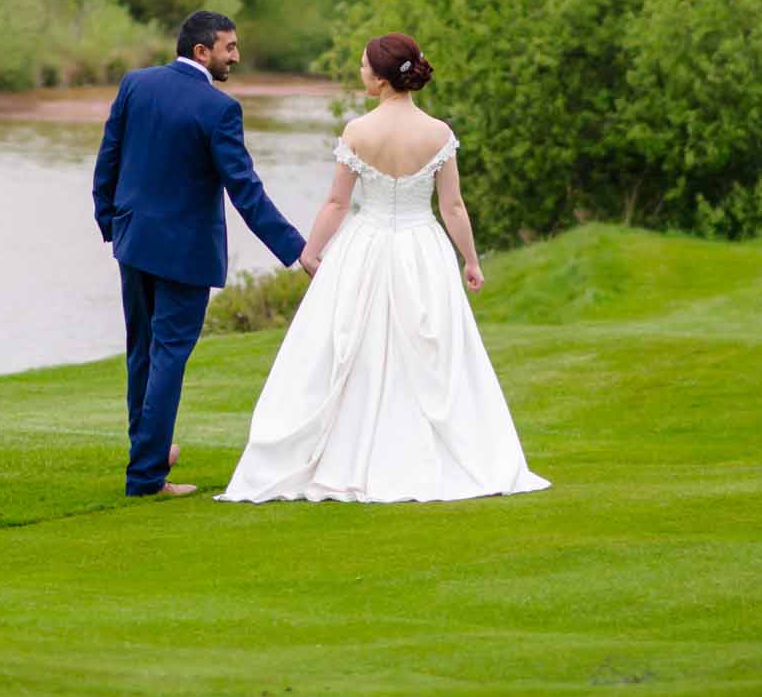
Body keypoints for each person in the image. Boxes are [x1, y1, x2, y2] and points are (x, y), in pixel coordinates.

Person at [217, 33, 551, 504]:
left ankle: (346, 449)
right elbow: (452, 206)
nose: (361, 73)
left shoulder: (358, 131)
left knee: (353, 342)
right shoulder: (438, 133)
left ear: (380, 77)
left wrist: (311, 250)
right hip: (423, 247)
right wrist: (471, 260)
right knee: (426, 345)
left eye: (363, 66)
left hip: (366, 244)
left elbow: (337, 202)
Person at [92, 10, 307, 498]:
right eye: (230, 47)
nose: (237, 56)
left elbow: (108, 159)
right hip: (185, 255)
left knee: (142, 352)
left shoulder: (136, 84)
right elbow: (245, 189)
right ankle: (147, 475)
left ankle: (148, 451)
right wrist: (296, 250)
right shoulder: (219, 109)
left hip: (133, 241)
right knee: (168, 355)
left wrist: (110, 222)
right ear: (201, 51)